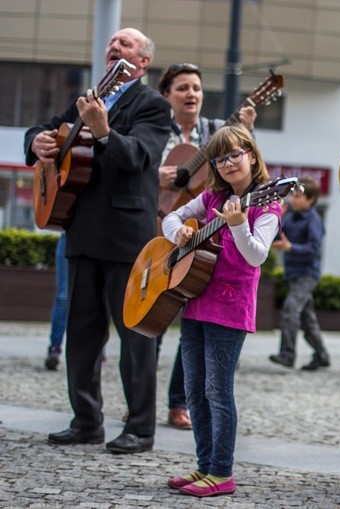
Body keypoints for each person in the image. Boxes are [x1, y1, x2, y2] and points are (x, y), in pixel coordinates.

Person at [24, 28, 170, 453]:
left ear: (142, 62)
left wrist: (104, 133)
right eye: (112, 43)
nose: (114, 47)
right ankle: (86, 422)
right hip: (81, 230)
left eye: (125, 44)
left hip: (127, 237)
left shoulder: (153, 105)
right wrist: (36, 141)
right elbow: (48, 129)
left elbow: (140, 158)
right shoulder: (86, 99)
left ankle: (140, 429)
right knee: (82, 335)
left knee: (134, 337)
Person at [163, 124, 282, 497]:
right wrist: (178, 234)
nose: (228, 162)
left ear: (250, 153)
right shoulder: (212, 196)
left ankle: (222, 472)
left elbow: (256, 255)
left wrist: (240, 225)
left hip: (230, 305)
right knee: (194, 390)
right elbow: (170, 217)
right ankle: (203, 466)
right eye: (220, 157)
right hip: (195, 297)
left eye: (234, 154)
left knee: (218, 389)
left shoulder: (268, 203)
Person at [155, 62, 256, 430]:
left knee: (189, 319)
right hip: (162, 228)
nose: (192, 94)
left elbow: (238, 163)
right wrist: (155, 175)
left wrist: (247, 130)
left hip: (203, 239)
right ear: (168, 95)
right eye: (182, 87)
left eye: (196, 87)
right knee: (152, 317)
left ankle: (178, 402)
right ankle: (139, 395)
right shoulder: (154, 128)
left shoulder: (215, 131)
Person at [268, 176, 330, 371]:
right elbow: (279, 235)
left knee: (290, 310)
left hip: (307, 274)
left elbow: (314, 248)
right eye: (293, 196)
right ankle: (321, 355)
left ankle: (287, 354)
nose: (294, 199)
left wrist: (290, 247)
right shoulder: (291, 217)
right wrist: (277, 215)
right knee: (307, 319)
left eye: (298, 196)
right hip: (294, 273)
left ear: (311, 200)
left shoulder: (313, 220)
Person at [44, 233, 67, 370]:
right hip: (71, 235)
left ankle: (97, 351)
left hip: (102, 238)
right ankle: (54, 347)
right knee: (63, 298)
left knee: (99, 298)